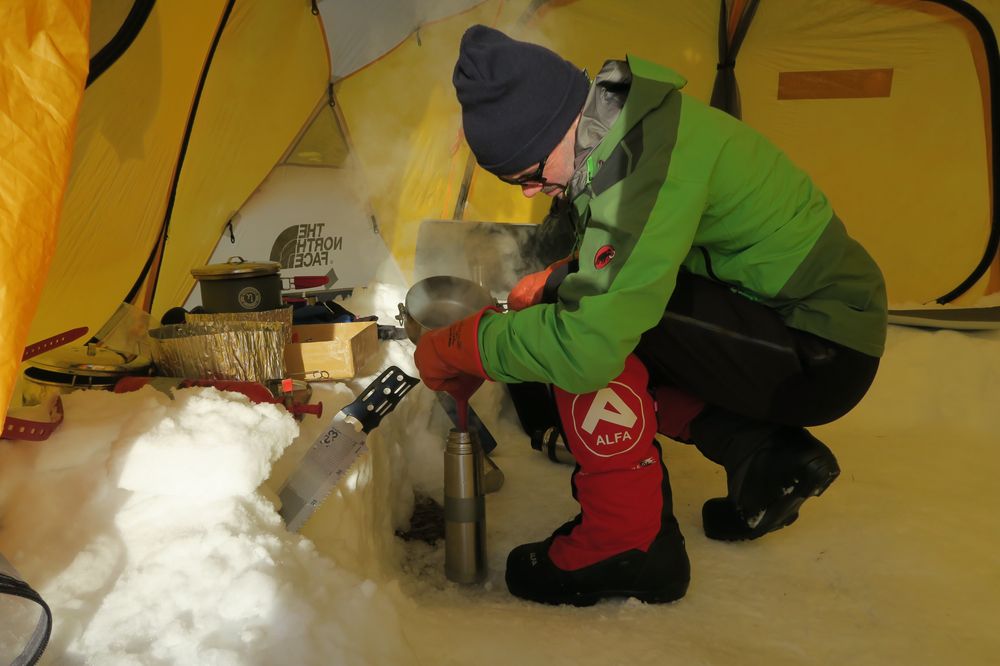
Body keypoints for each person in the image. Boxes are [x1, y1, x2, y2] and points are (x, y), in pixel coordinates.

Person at [415, 25, 887, 607]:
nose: (533, 194)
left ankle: (625, 544)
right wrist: (560, 272)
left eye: (528, 177)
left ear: (555, 126)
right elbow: (655, 246)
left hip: (821, 349)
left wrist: (465, 343)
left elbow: (586, 345)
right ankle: (761, 453)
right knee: (596, 304)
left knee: (590, 330)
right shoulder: (630, 128)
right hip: (798, 323)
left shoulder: (642, 163)